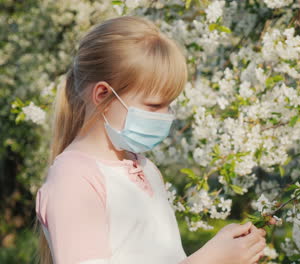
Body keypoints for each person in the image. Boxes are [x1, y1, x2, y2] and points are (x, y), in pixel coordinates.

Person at [34, 15, 267, 264]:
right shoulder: (75, 180)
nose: (166, 117)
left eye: (169, 105)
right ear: (102, 95)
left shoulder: (144, 167)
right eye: (154, 106)